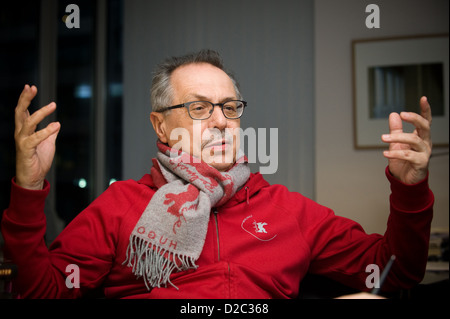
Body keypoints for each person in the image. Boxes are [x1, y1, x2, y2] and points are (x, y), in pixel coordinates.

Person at [1, 50, 434, 299]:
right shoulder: (119, 207)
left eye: (229, 107)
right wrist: (29, 187)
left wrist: (410, 189)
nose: (222, 121)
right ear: (161, 126)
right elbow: (42, 294)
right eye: (199, 108)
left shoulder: (288, 210)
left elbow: (391, 272)